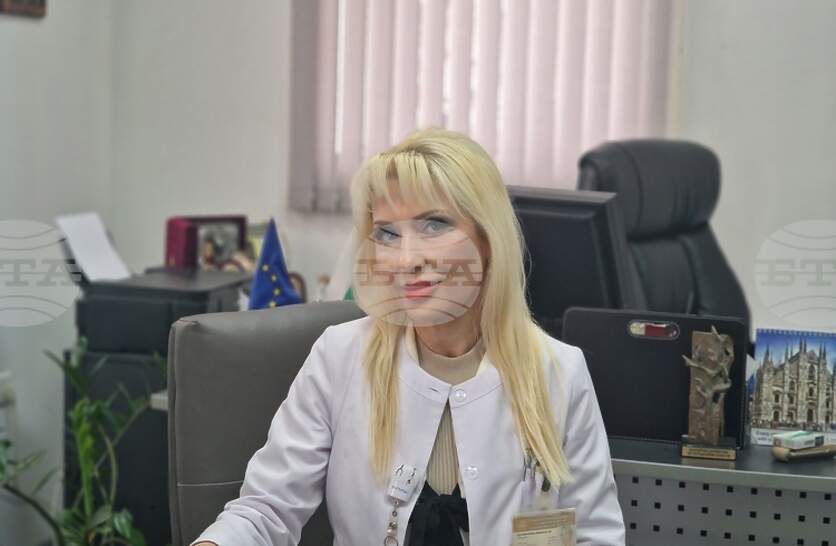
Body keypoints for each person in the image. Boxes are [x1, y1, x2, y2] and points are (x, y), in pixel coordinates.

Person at [193, 128, 625, 546]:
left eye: (434, 225)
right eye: (387, 233)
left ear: (487, 239)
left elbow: (595, 535)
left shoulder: (558, 371)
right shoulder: (340, 356)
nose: (405, 260)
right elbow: (266, 510)